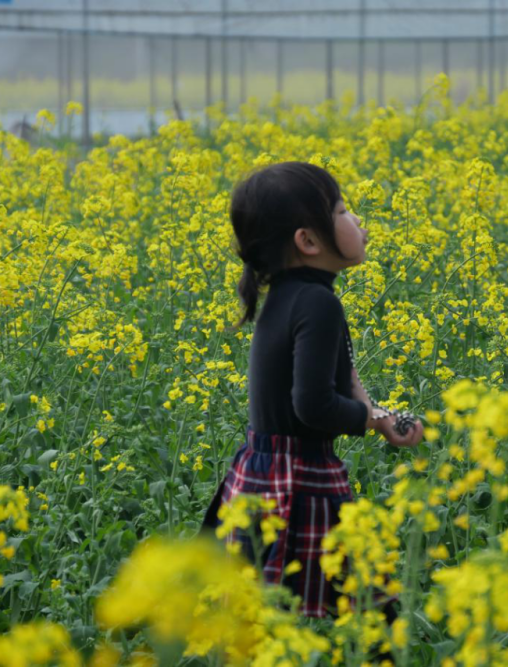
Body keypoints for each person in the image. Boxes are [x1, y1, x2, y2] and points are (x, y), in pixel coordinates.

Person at [200, 161, 423, 631]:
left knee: (262, 626)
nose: (357, 220)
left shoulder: (287, 295)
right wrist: (367, 418)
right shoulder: (318, 302)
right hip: (298, 484)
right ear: (308, 241)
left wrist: (379, 415)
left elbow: (337, 379)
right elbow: (315, 405)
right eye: (343, 210)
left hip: (260, 474)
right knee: (375, 621)